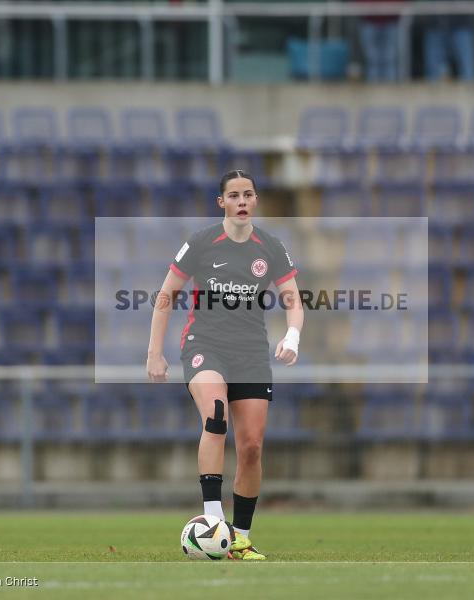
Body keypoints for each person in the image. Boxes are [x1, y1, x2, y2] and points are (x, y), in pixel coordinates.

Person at [146, 170, 304, 561]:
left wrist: (292, 335)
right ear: (222, 202)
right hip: (206, 345)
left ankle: (241, 538)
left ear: (256, 199)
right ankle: (214, 525)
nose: (242, 201)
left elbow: (293, 301)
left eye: (248, 194)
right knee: (216, 417)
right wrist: (154, 352)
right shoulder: (201, 242)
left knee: (251, 446)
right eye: (234, 195)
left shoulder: (270, 247)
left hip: (250, 351)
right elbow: (167, 295)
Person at [420, 0, 474, 81]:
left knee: (467, 68)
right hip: (435, 25)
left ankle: (469, 90)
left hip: (460, 24)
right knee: (433, 70)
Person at [356, 0, 401, 82]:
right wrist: (370, 6)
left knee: (391, 58)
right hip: (369, 21)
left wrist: (390, 6)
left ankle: (391, 88)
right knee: (372, 60)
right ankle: (373, 89)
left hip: (391, 21)